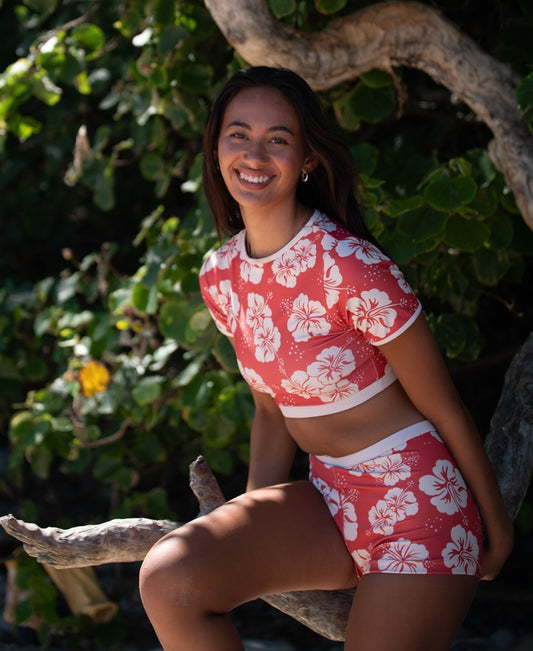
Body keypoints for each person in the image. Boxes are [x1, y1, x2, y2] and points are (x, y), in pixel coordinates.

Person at [139, 66, 514, 650]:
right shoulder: (220, 275)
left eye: (278, 139)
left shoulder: (349, 265)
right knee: (170, 577)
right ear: (216, 148)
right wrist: (249, 520)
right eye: (238, 135)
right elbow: (270, 411)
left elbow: (443, 405)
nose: (255, 154)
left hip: (417, 503)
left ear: (307, 158)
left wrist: (496, 526)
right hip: (327, 497)